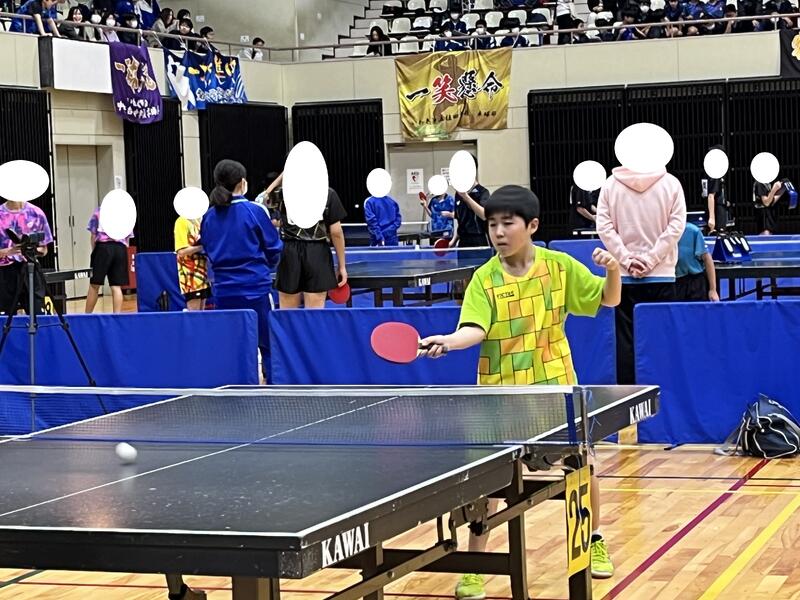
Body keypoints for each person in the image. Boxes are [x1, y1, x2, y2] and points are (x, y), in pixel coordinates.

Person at [420, 186, 622, 599]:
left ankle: (592, 542)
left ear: (531, 226)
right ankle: (476, 565)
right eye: (492, 224)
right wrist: (450, 341)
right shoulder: (484, 279)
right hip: (500, 394)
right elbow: (475, 328)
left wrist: (614, 270)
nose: (498, 232)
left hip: (554, 388)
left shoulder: (559, 267)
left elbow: (608, 299)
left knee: (582, 467)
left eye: (507, 223)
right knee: (488, 483)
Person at [596, 162, 686, 385]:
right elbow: (676, 226)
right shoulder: (671, 183)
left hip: (622, 277)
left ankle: (628, 395)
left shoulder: (610, 185)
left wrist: (626, 259)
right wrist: (651, 259)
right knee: (661, 338)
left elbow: (604, 227)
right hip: (662, 276)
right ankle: (661, 390)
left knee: (624, 340)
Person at [200, 160, 283, 381]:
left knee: (233, 346)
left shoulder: (208, 217)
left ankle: (237, 390)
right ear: (242, 182)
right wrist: (264, 268)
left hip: (224, 292)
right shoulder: (254, 211)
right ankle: (271, 387)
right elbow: (274, 247)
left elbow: (207, 249)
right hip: (256, 289)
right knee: (268, 344)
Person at [270, 173, 348, 309]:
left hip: (289, 252)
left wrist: (285, 173)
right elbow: (336, 233)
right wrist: (342, 266)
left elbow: (262, 198)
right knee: (314, 314)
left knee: (288, 315)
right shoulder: (327, 193)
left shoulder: (282, 193)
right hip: (317, 252)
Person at [0, 198, 54, 317]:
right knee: (5, 317)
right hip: (5, 272)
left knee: (38, 314)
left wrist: (31, 251)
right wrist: (8, 251)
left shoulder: (36, 213)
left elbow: (44, 249)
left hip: (31, 268)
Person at [85, 204, 132, 314]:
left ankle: (87, 316)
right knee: (116, 286)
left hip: (103, 248)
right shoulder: (125, 214)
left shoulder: (99, 211)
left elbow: (93, 234)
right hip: (120, 248)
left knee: (94, 285)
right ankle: (117, 317)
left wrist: (95, 251)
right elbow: (128, 238)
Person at [675, 221, 719, 301]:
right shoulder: (663, 231)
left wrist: (713, 290)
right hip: (674, 282)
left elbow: (707, 259)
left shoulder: (693, 230)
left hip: (694, 282)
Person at [174, 216, 211, 311]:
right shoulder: (181, 222)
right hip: (190, 276)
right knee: (194, 314)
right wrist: (201, 247)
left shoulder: (200, 222)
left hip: (203, 274)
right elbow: (181, 252)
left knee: (202, 313)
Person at [452, 158, 490, 248]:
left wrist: (466, 197)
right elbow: (461, 223)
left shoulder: (483, 192)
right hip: (462, 241)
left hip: (479, 240)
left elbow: (484, 215)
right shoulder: (458, 194)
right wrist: (453, 241)